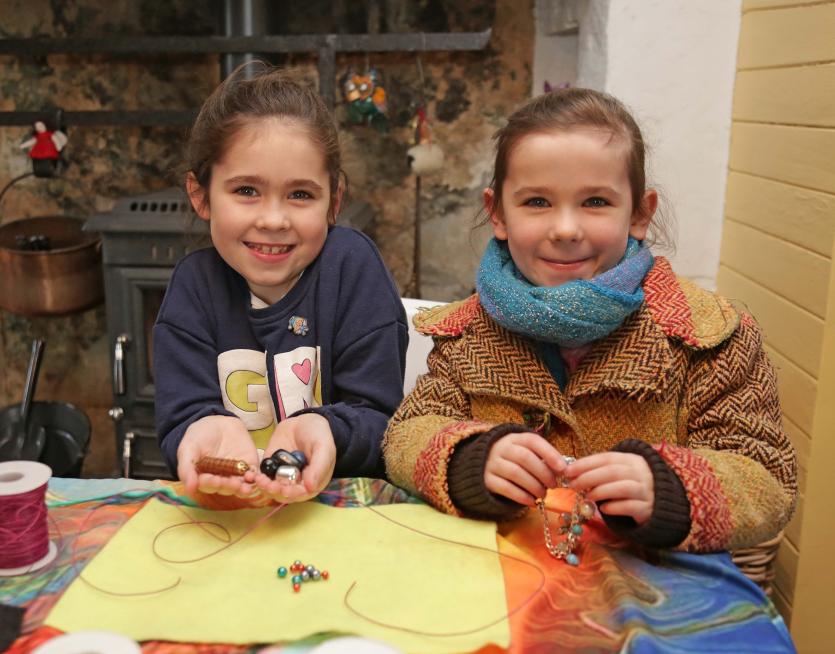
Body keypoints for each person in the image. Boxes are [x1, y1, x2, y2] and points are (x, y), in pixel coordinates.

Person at [383, 88, 796, 553]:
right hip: (503, 582)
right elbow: (408, 432)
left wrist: (672, 489)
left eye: (595, 202)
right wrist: (469, 459)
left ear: (639, 214)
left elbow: (767, 478)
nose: (565, 229)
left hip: (655, 595)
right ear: (497, 213)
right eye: (537, 202)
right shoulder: (468, 334)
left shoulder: (709, 338)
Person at [154, 63, 408, 507]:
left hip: (346, 516)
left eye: (301, 195)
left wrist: (324, 428)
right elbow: (181, 420)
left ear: (335, 200)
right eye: (247, 191)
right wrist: (199, 432)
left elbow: (381, 421)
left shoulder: (352, 268)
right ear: (201, 195)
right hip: (231, 516)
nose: (273, 219)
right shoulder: (193, 286)